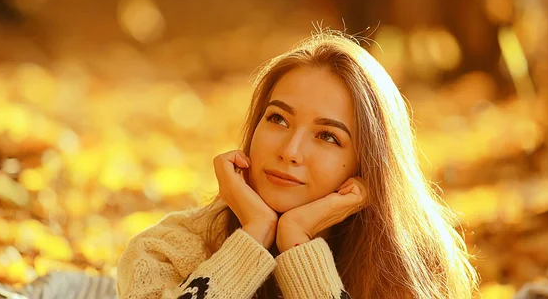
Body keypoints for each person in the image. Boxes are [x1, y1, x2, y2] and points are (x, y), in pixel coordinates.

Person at [115, 31, 480, 299]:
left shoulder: (407, 268)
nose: (290, 150)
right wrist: (253, 237)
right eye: (277, 119)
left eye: (327, 137)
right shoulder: (167, 248)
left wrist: (299, 246)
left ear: (365, 167)